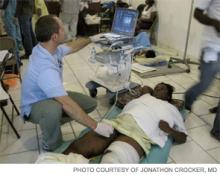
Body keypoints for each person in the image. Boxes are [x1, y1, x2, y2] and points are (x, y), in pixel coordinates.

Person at [20, 15, 114, 151]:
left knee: (90, 104)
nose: (66, 31)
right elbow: (66, 103)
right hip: (34, 104)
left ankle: (51, 124)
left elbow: (72, 46)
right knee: (54, 109)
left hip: (49, 95)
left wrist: (92, 39)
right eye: (62, 29)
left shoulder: (48, 48)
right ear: (54, 37)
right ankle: (51, 144)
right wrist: (96, 126)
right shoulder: (45, 68)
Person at [61, 83, 187, 163]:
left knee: (114, 158)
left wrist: (169, 130)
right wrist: (148, 91)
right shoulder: (146, 96)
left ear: (169, 96)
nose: (158, 88)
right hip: (117, 123)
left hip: (140, 133)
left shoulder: (172, 109)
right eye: (157, 86)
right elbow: (145, 88)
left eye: (163, 88)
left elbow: (183, 138)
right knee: (77, 148)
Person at [184, 0, 220, 140]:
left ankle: (217, 129)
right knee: (205, 85)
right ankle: (188, 98)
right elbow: (197, 13)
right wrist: (215, 23)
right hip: (213, 47)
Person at [2, 0, 23, 65]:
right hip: (14, 14)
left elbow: (5, 3)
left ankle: (16, 61)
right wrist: (16, 15)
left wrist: (2, 7)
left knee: (12, 38)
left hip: (9, 14)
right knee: (16, 37)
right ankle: (18, 60)